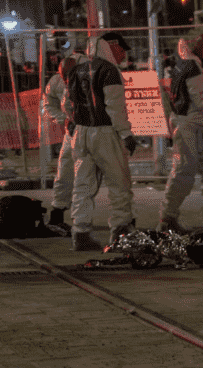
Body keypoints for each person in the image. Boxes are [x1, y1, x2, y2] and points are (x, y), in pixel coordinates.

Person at [65, 32, 139, 251]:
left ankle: (80, 232)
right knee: (119, 183)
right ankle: (120, 230)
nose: (123, 54)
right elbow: (115, 107)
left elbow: (68, 104)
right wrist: (126, 134)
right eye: (121, 49)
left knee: (83, 185)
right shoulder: (109, 71)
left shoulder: (77, 70)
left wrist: (73, 123)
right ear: (111, 47)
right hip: (105, 133)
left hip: (81, 132)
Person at [157, 33, 203, 234]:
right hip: (190, 128)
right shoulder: (193, 68)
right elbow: (201, 101)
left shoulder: (185, 64)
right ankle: (167, 219)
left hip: (193, 128)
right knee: (183, 173)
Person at [43, 52, 90, 236]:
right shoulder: (58, 81)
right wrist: (64, 119)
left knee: (74, 172)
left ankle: (76, 219)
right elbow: (48, 103)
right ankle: (66, 215)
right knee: (67, 170)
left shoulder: (93, 76)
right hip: (79, 130)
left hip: (93, 129)